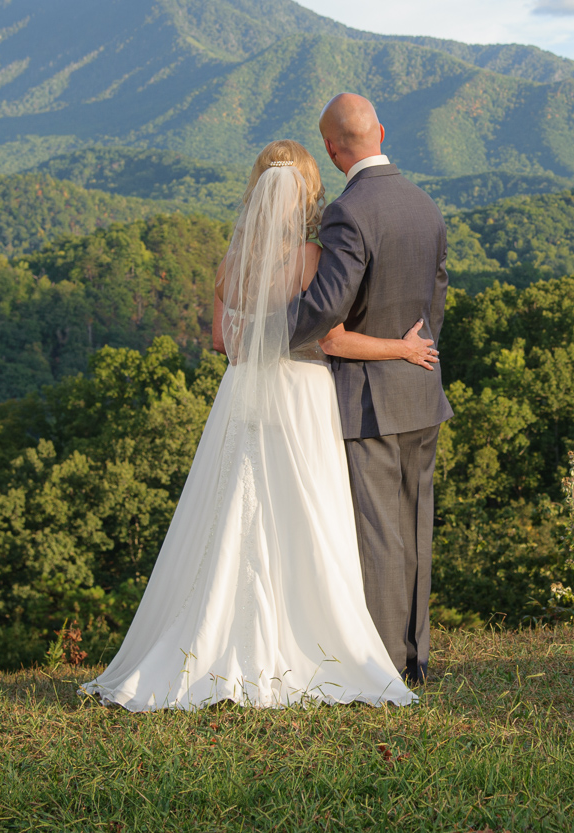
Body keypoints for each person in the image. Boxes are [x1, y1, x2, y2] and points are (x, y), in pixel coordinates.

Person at [79, 138, 436, 710]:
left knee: (235, 515)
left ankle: (210, 641)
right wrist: (401, 347)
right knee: (303, 514)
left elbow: (226, 342)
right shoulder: (312, 259)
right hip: (301, 396)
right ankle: (308, 642)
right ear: (307, 195)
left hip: (243, 397)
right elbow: (331, 337)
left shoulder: (230, 264)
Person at [291, 93, 453, 685]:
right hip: (421, 385)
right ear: (380, 132)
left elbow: (328, 305)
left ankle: (385, 668)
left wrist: (271, 329)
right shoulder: (425, 206)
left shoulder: (348, 211)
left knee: (381, 536)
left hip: (367, 395)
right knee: (415, 528)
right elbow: (433, 303)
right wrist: (413, 348)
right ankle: (418, 658)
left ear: (333, 150)